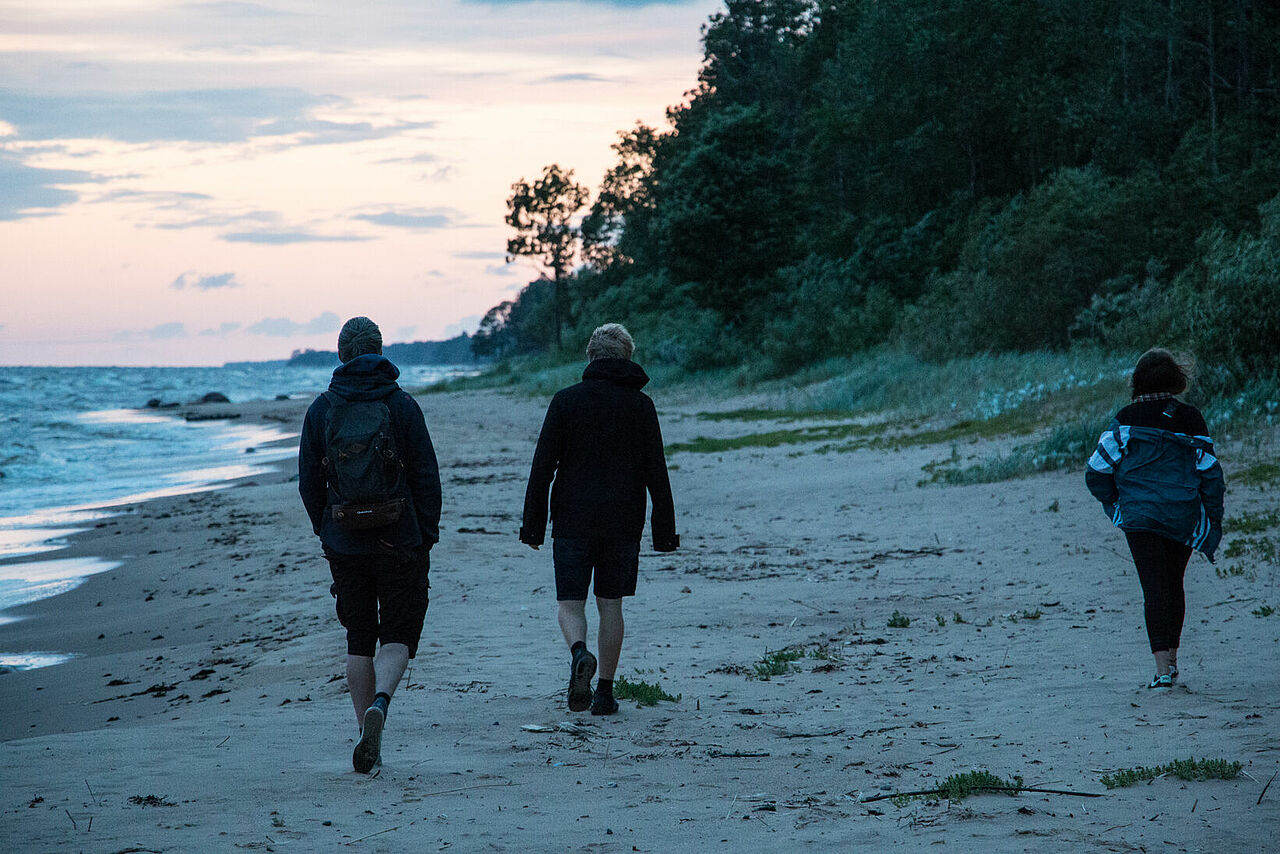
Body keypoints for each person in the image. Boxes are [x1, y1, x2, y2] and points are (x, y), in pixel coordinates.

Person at [299, 317, 441, 772]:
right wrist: (427, 535)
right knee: (398, 636)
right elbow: (426, 477)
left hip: (344, 540)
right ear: (380, 349)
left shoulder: (322, 409)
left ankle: (366, 735)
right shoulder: (401, 405)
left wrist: (327, 531)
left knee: (358, 641)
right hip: (400, 538)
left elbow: (308, 485)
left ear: (341, 354)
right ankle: (382, 701)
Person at [520, 323, 679, 715]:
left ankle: (578, 654)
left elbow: (543, 468)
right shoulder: (641, 406)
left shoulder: (566, 401)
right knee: (611, 605)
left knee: (570, 603)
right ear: (627, 358)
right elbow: (656, 470)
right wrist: (664, 532)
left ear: (590, 357)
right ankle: (605, 693)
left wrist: (533, 526)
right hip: (624, 521)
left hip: (573, 519)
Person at [1086, 348, 1225, 689]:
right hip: (1182, 515)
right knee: (1173, 584)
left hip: (1140, 517)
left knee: (1153, 587)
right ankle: (1172, 664)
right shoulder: (1191, 418)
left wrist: (1117, 503)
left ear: (1138, 380)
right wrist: (1211, 517)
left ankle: (1162, 671)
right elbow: (1210, 473)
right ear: (1176, 379)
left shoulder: (1125, 419)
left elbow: (1096, 471)